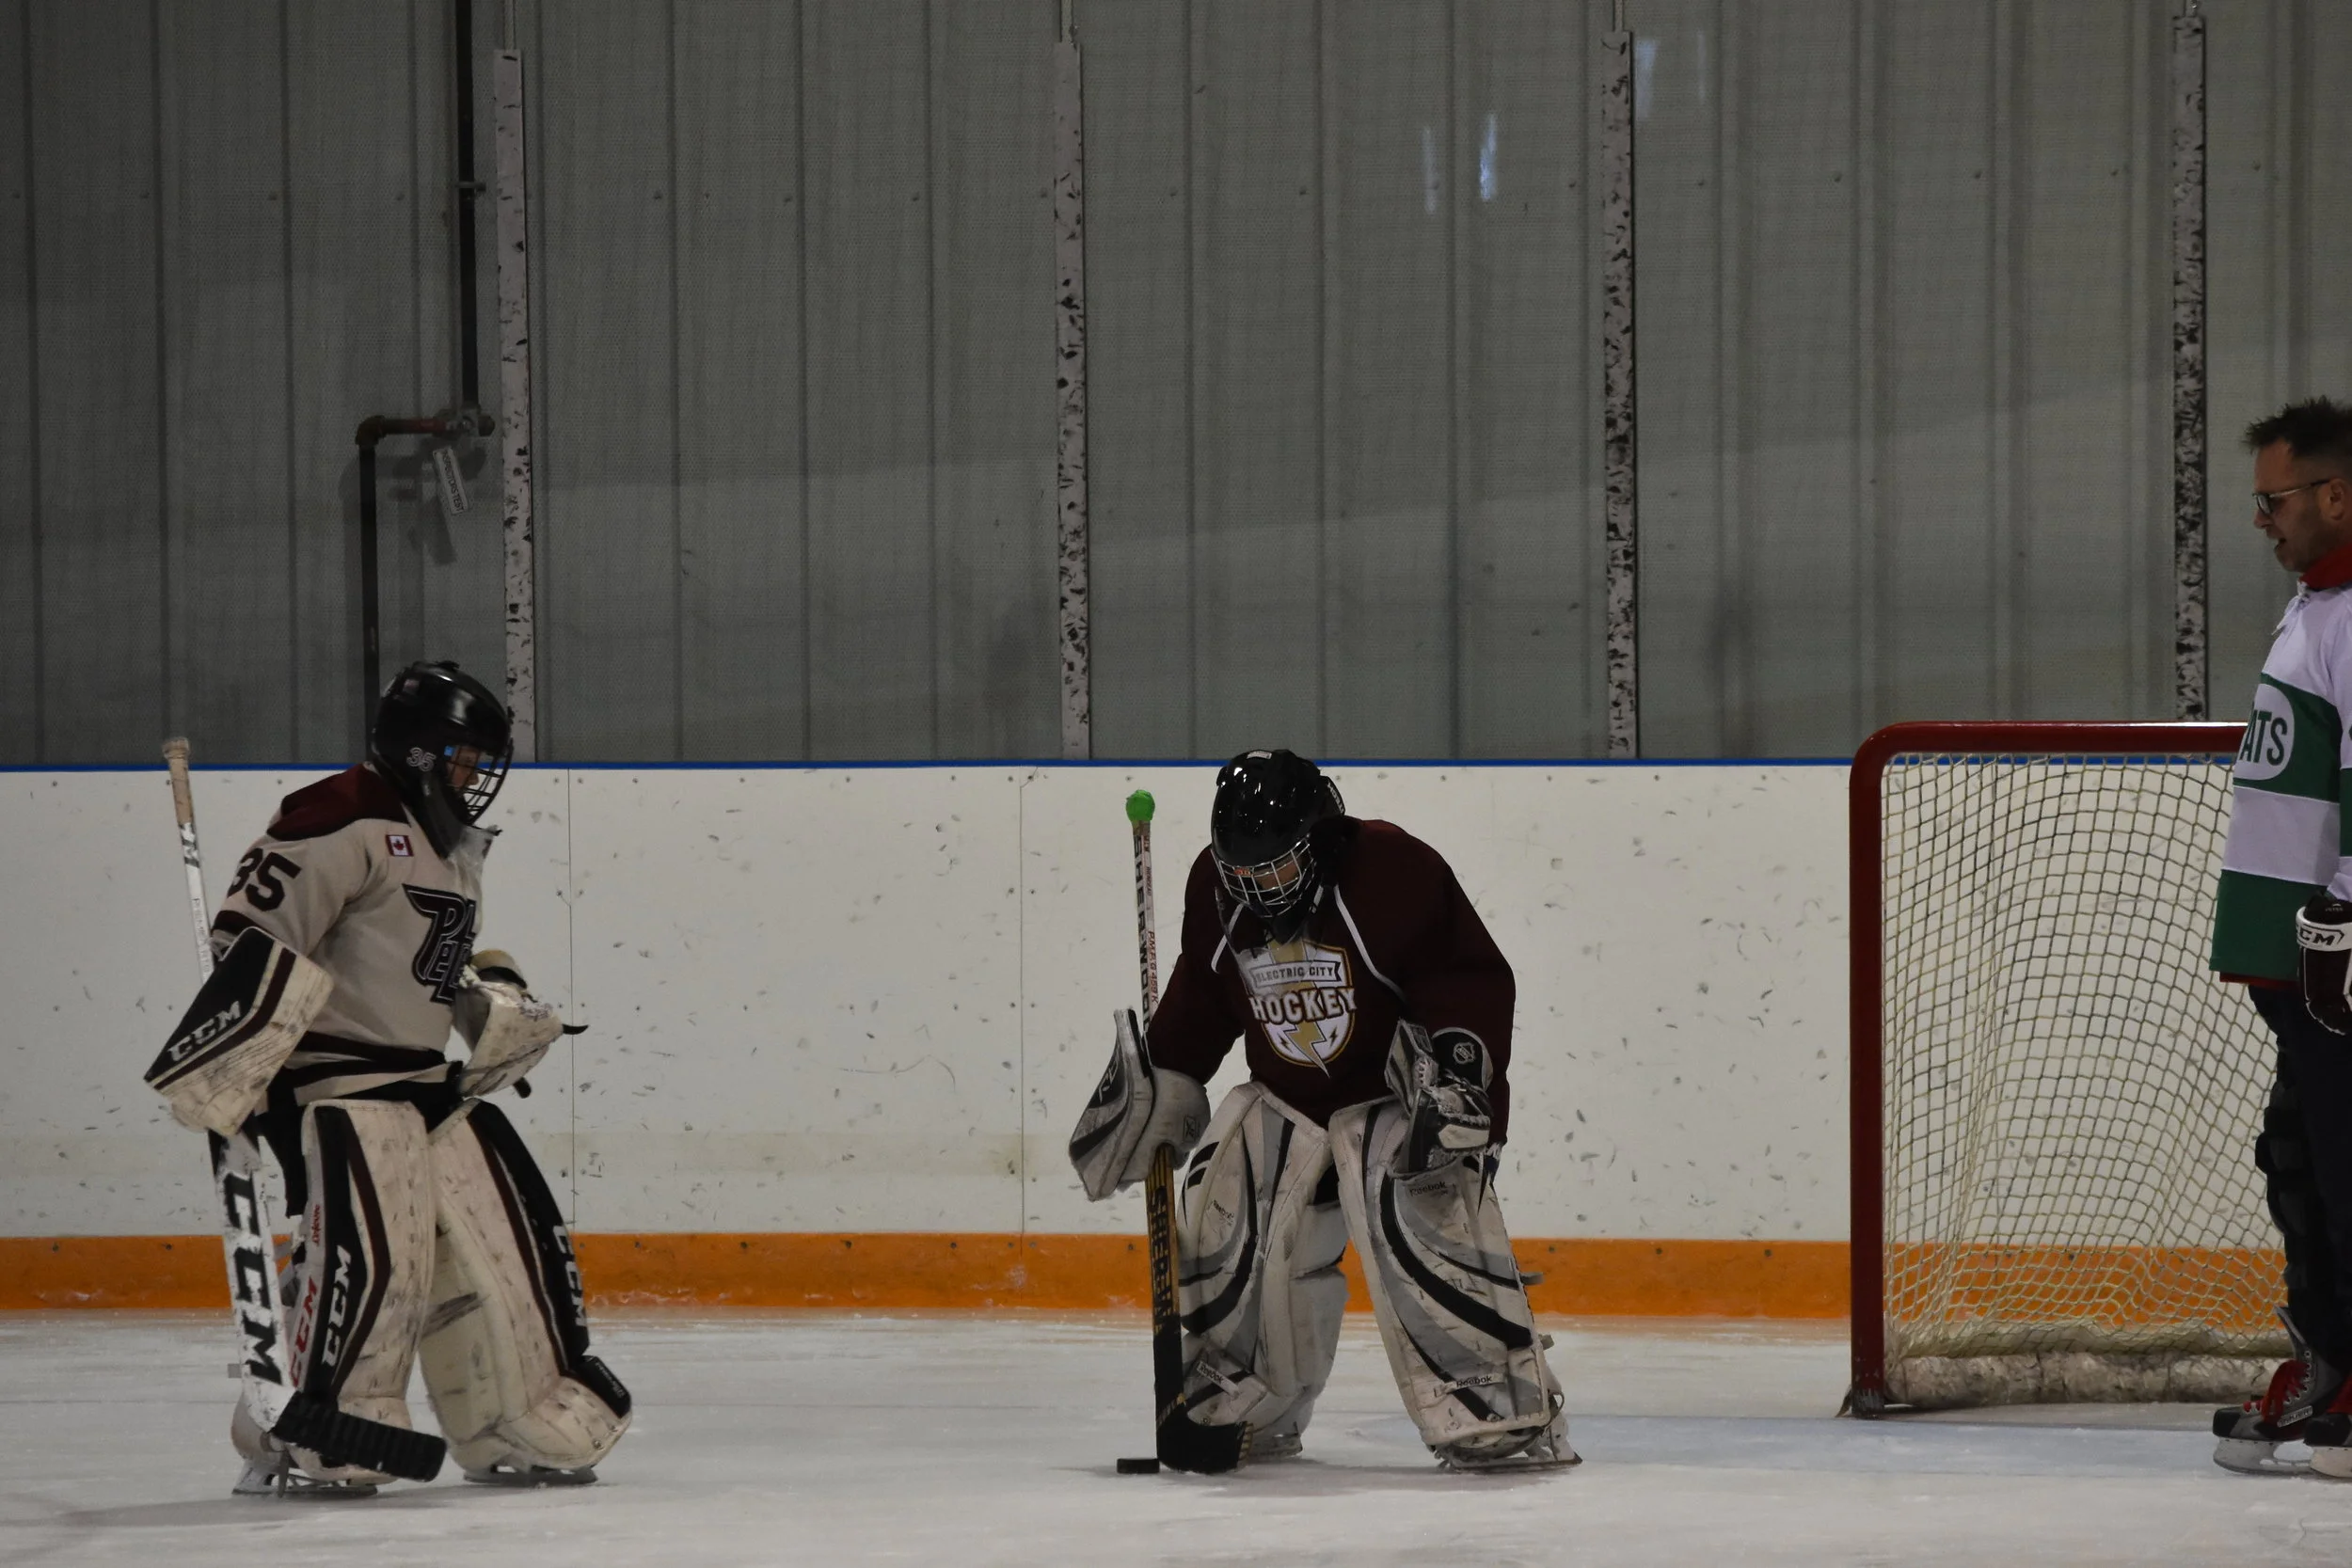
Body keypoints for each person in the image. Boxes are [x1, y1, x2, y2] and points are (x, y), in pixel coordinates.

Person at [169, 660, 629, 1496]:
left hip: (425, 1083)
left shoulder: (447, 842)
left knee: (506, 1244)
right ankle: (319, 1418)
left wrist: (492, 997)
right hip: (338, 1087)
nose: (475, 776)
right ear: (419, 750)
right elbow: (250, 943)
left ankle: (515, 1413)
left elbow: (423, 962)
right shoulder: (337, 816)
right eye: (463, 757)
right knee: (379, 1262)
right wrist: (239, 1063)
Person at [1069, 749, 1572, 1472]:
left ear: (1321, 839)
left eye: (1275, 871)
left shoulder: (1392, 871)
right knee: (1226, 1187)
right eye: (1244, 875)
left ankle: (1490, 1394)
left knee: (1414, 1197)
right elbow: (1204, 994)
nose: (1259, 891)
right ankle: (1248, 1395)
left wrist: (1461, 1076)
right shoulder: (1217, 888)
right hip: (1291, 1100)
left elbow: (1462, 975)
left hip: (1399, 1098)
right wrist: (1165, 1074)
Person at [2211, 397, 2352, 1477]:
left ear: (2335, 495)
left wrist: (2342, 923)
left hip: (2335, 954)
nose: (2261, 519)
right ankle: (2330, 1361)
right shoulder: (2316, 606)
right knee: (2300, 1160)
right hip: (2297, 961)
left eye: (2275, 499)